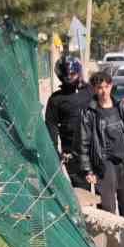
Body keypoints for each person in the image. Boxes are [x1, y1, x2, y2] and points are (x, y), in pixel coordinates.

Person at [79, 70, 124, 220]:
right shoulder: (89, 112)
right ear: (94, 89)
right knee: (107, 209)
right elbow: (83, 142)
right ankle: (111, 243)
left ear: (111, 86)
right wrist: (88, 170)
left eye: (106, 87)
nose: (103, 91)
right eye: (99, 88)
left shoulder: (120, 106)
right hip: (104, 164)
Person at [43, 55, 93, 187]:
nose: (70, 77)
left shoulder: (90, 91)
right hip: (73, 154)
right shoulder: (56, 100)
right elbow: (51, 127)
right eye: (66, 75)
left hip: (96, 150)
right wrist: (55, 153)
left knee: (105, 198)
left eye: (73, 74)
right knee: (82, 191)